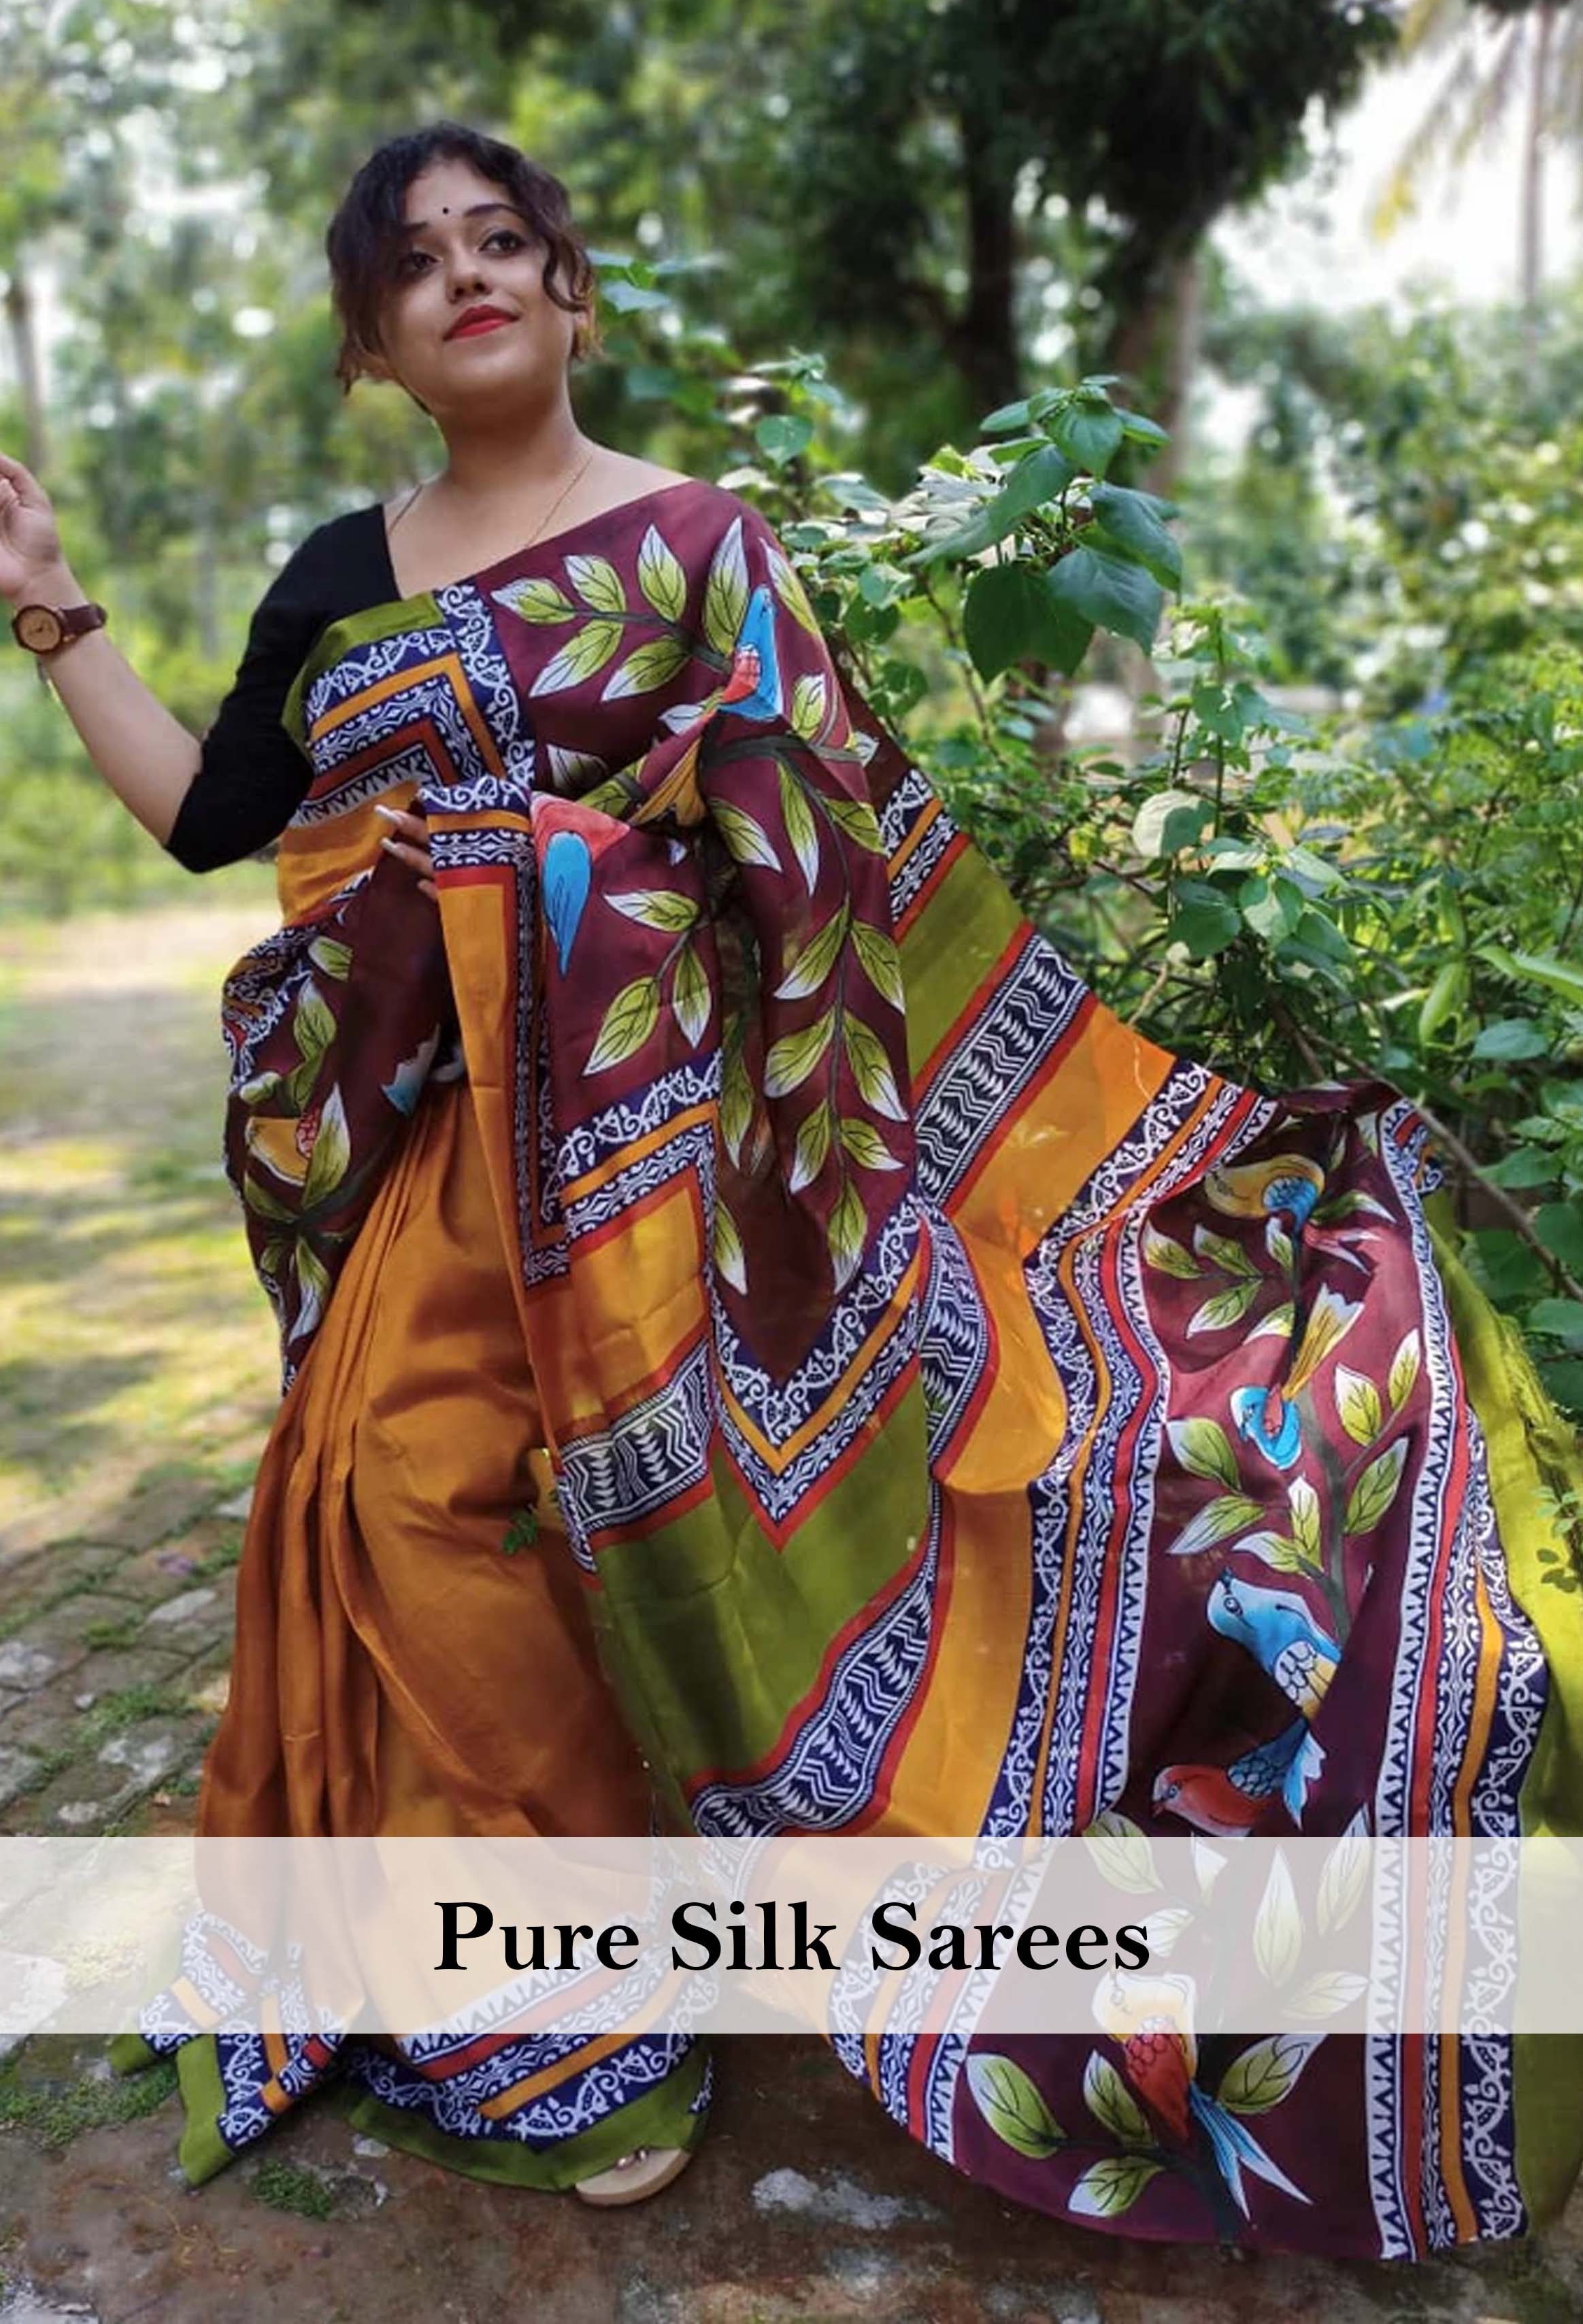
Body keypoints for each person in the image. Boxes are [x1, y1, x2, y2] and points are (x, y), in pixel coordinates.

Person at [5, 118, 1583, 2255]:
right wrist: (51, 607)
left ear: (571, 291)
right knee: (402, 1489)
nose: (468, 273)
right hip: (455, 1151)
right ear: (374, 345)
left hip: (697, 1137)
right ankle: (574, 2006)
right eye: (417, 260)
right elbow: (216, 817)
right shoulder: (337, 583)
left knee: (729, 1511)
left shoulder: (695, 545)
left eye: (504, 237)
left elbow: (835, 838)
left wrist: (587, 873)